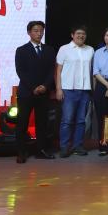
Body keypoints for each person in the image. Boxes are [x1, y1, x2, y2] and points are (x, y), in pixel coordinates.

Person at [14, 20, 56, 162]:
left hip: (44, 92)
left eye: (41, 31)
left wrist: (45, 86)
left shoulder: (49, 50)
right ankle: (21, 152)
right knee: (22, 122)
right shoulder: (21, 50)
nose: (39, 33)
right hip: (26, 92)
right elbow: (21, 71)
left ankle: (41, 150)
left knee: (42, 123)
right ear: (29, 32)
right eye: (36, 31)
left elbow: (52, 71)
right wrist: (34, 87)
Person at [55, 25, 95, 158]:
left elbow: (92, 71)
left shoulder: (90, 50)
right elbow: (58, 70)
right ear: (72, 35)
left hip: (85, 90)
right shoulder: (64, 49)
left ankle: (78, 145)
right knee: (67, 120)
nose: (81, 36)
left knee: (81, 120)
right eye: (78, 33)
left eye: (83, 34)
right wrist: (58, 89)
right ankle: (64, 147)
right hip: (68, 89)